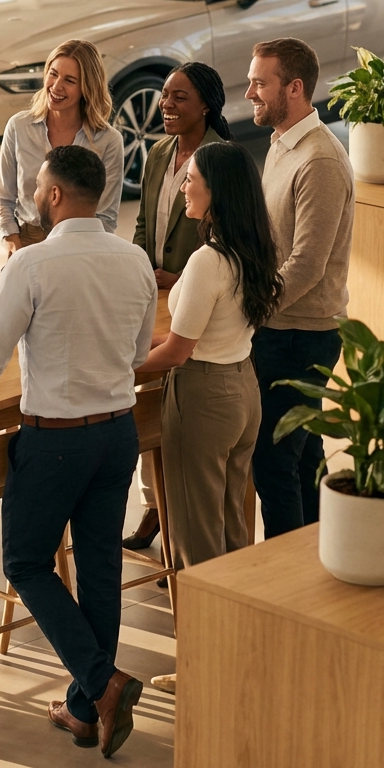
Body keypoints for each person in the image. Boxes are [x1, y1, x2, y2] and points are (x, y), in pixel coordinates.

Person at [0, 145, 157, 759]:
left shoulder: (33, 264)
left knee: (24, 561)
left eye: (38, 186)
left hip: (59, 439)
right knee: (98, 564)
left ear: (52, 195)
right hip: (118, 431)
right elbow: (136, 351)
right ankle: (82, 707)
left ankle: (102, 684)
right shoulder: (135, 260)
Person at [134, 141, 282, 693]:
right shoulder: (255, 249)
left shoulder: (206, 261)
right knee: (232, 529)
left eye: (192, 178)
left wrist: (120, 369)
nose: (184, 187)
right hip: (244, 390)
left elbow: (175, 352)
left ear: (217, 191)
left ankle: (202, 668)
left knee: (197, 541)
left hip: (203, 397)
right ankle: (240, 649)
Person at [246, 38, 354, 538]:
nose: (249, 92)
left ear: (294, 88)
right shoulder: (282, 144)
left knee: (272, 463)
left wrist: (249, 308)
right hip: (279, 328)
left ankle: (286, 586)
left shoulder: (320, 162)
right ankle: (320, 557)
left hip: (299, 334)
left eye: (260, 83)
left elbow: (306, 264)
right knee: (306, 455)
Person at [125, 62, 233, 551]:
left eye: (180, 97)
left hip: (193, 293)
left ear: (206, 105)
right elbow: (144, 223)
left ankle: (177, 525)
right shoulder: (158, 152)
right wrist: (139, 269)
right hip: (153, 294)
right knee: (152, 406)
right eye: (165, 95)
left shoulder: (220, 159)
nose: (166, 104)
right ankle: (155, 507)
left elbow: (227, 234)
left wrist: (180, 274)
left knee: (169, 390)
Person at [0, 39, 123, 252]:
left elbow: (106, 216)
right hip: (27, 241)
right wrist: (12, 239)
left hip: (82, 246)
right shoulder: (19, 126)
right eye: (53, 73)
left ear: (87, 87)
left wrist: (80, 252)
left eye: (70, 80)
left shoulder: (108, 141)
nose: (56, 86)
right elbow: (3, 197)